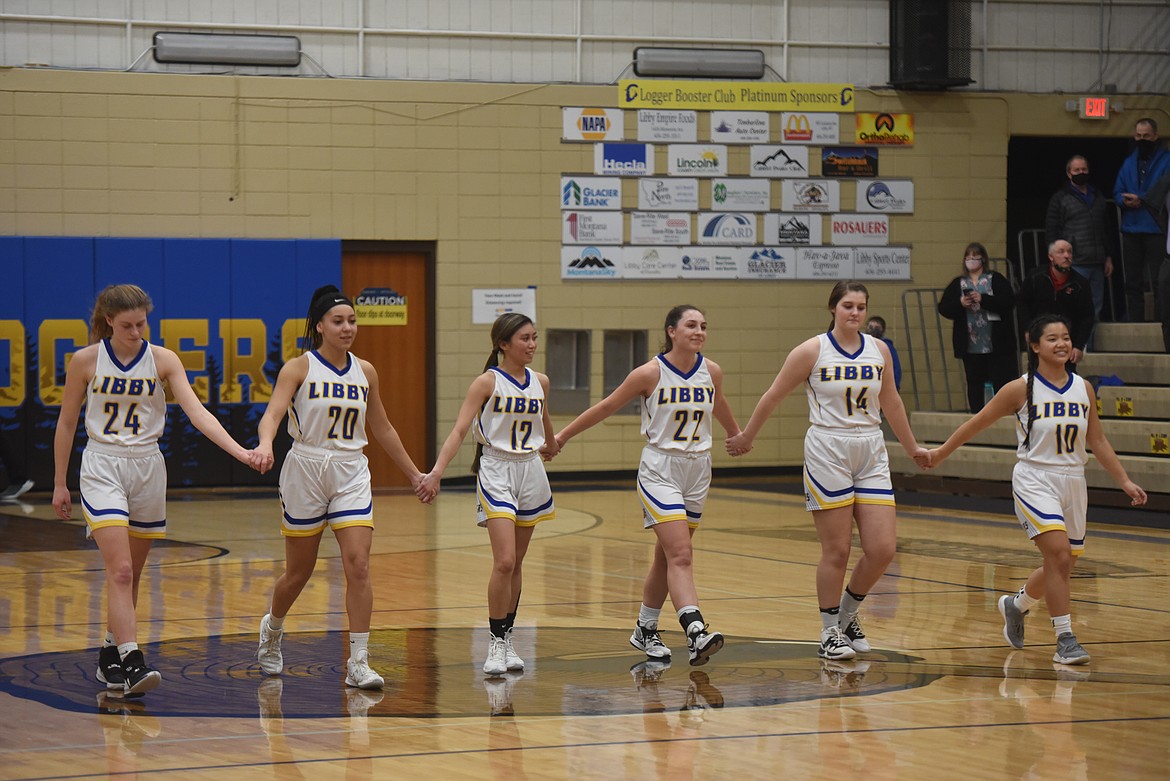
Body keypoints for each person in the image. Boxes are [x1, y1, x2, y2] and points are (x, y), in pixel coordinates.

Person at [51, 284, 264, 695]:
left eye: (141, 324)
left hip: (148, 466)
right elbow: (65, 423)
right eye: (127, 325)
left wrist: (240, 451)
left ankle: (108, 655)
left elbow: (197, 411)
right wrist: (60, 482)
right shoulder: (85, 361)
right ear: (108, 321)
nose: (135, 332)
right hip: (103, 465)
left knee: (132, 575)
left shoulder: (163, 360)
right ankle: (133, 661)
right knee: (121, 569)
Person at [924, 314, 1147, 665]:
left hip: (1073, 480)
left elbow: (1097, 439)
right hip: (1034, 478)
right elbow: (977, 422)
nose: (1061, 343)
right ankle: (1065, 640)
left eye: (1066, 337)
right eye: (1053, 338)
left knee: (1064, 563)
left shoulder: (1083, 388)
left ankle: (1017, 604)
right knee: (1058, 555)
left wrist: (1124, 480)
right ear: (1035, 345)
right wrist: (940, 453)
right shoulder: (1020, 388)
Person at [725, 281, 927, 661]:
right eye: (848, 305)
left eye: (861, 307)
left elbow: (891, 401)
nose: (855, 313)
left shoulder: (878, 350)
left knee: (882, 549)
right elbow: (773, 395)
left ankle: (849, 614)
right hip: (827, 449)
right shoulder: (811, 351)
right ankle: (829, 630)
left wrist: (912, 446)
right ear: (833, 308)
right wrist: (746, 436)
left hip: (870, 447)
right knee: (837, 549)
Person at [253, 285, 428, 690]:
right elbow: (272, 416)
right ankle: (273, 627)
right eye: (339, 321)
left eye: (352, 321)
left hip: (350, 470)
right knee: (299, 573)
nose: (348, 327)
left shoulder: (365, 372)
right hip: (306, 468)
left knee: (359, 565)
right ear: (319, 326)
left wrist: (414, 473)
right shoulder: (298, 368)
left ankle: (359, 661)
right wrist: (264, 444)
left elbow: (381, 427)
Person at [555, 305, 741, 667]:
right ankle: (696, 629)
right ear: (672, 331)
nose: (699, 331)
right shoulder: (649, 373)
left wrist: (735, 433)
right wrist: (562, 436)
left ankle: (645, 628)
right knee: (681, 554)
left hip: (698, 469)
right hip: (660, 469)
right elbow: (607, 406)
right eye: (691, 325)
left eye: (704, 326)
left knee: (667, 556)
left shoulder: (712, 372)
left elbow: (718, 403)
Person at [417, 313, 559, 676]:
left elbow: (547, 428)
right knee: (505, 560)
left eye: (534, 338)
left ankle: (508, 638)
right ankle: (495, 642)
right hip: (495, 468)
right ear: (503, 344)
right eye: (525, 338)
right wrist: (436, 473)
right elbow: (459, 430)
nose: (532, 345)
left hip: (530, 469)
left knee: (519, 561)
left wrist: (553, 443)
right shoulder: (486, 383)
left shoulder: (540, 381)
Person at [937, 242, 1018, 413]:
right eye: (968, 257)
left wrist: (984, 299)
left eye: (975, 257)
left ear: (983, 259)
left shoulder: (995, 279)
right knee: (974, 381)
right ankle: (976, 416)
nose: (971, 260)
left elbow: (1009, 301)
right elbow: (943, 308)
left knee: (1000, 380)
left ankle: (1002, 415)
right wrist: (960, 303)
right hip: (970, 343)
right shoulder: (958, 283)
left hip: (995, 341)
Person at [1045, 155, 1116, 323]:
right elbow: (1051, 230)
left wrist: (1108, 257)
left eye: (1084, 169)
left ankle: (1088, 347)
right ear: (1069, 174)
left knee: (1095, 306)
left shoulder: (1098, 196)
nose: (1081, 172)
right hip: (1073, 262)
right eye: (1077, 170)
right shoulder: (1059, 198)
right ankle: (1076, 345)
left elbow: (1106, 229)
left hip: (1097, 261)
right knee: (1074, 306)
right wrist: (1056, 258)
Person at [1114, 118, 1170, 322]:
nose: (1142, 139)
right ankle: (1135, 322)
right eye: (1138, 135)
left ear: (1155, 136)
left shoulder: (1167, 160)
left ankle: (1160, 321)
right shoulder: (1129, 162)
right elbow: (1117, 190)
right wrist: (1123, 199)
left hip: (1156, 228)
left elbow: (1164, 189)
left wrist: (1143, 199)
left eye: (1146, 136)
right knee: (1133, 281)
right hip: (1131, 228)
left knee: (1159, 281)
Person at [1015, 240, 1095, 367]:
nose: (1066, 256)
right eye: (1061, 252)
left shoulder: (1080, 283)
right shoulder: (1036, 277)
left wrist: (1079, 345)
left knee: (1066, 377)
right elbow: (1022, 302)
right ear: (1051, 256)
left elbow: (1088, 316)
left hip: (1066, 341)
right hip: (1040, 337)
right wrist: (1027, 329)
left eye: (1069, 252)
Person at [864, 316, 901, 390]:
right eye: (870, 327)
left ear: (883, 330)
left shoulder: (887, 347)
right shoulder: (860, 345)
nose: (873, 330)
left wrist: (893, 389)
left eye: (877, 328)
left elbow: (896, 370)